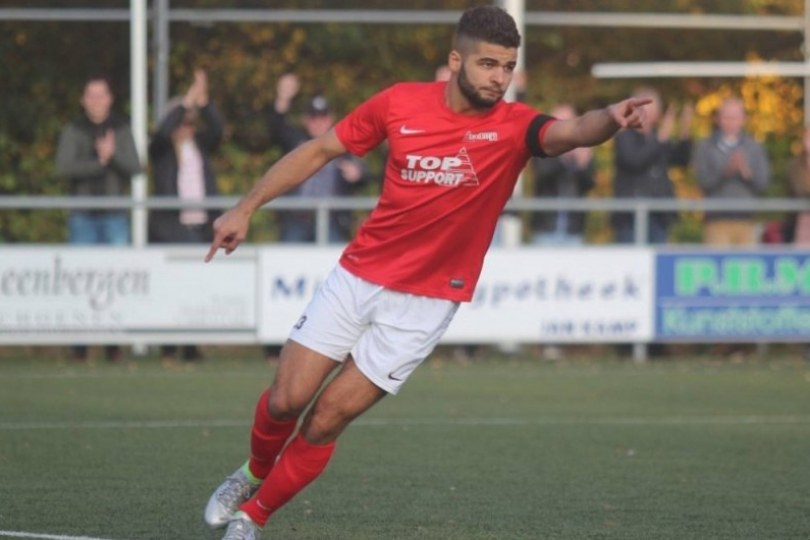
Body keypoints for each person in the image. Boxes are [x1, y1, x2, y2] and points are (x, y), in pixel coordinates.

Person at [202, 6, 650, 539]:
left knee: (325, 420)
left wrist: (610, 117)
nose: (499, 78)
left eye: (508, 67)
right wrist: (246, 207)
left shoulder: (514, 126)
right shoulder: (399, 103)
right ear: (455, 60)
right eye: (488, 64)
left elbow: (573, 131)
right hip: (359, 275)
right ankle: (251, 473)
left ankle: (253, 518)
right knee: (287, 399)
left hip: (427, 303)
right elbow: (321, 149)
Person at [55, 74, 142, 362]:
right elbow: (64, 168)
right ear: (83, 100)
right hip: (83, 216)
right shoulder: (74, 130)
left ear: (110, 98)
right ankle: (79, 345)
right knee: (79, 280)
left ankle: (113, 345)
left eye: (101, 95)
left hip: (114, 216)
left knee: (115, 280)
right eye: (91, 96)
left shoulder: (120, 128)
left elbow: (135, 166)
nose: (96, 101)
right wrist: (100, 162)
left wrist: (112, 156)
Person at [148, 68, 223, 362]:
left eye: (191, 123)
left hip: (200, 227)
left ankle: (190, 346)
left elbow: (217, 129)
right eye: (183, 122)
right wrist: (185, 101)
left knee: (196, 286)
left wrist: (204, 103)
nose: (186, 127)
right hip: (171, 226)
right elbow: (162, 131)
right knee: (172, 286)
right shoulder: (162, 151)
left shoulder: (201, 148)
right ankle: (169, 346)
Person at [269, 72, 370, 244]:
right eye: (313, 117)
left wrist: (358, 173)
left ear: (330, 118)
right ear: (305, 120)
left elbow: (365, 174)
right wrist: (283, 98)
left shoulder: (342, 145)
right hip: (296, 219)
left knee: (333, 261)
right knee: (286, 258)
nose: (318, 122)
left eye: (322, 117)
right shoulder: (296, 142)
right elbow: (277, 127)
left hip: (332, 221)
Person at [612, 87, 693, 244]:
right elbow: (634, 161)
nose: (649, 117)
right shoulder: (625, 137)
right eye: (645, 112)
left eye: (653, 112)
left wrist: (685, 134)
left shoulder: (659, 137)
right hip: (631, 216)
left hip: (659, 215)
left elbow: (681, 160)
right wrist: (660, 140)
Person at [693, 96, 771, 246]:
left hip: (747, 220)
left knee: (746, 267)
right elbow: (703, 182)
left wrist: (746, 172)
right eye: (727, 117)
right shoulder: (706, 146)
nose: (731, 122)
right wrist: (726, 171)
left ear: (743, 119)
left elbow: (763, 184)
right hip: (716, 220)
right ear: (718, 119)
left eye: (735, 117)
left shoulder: (754, 147)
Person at [530, 103, 595, 246]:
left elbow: (589, 183)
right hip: (545, 228)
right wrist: (562, 154)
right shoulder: (539, 147)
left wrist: (581, 166)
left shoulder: (582, 149)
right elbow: (543, 174)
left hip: (574, 229)